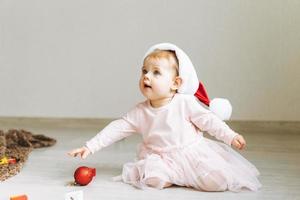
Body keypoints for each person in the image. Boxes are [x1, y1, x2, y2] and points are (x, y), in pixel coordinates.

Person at [68, 43, 262, 192]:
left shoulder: (184, 103)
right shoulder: (140, 112)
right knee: (153, 177)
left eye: (156, 73)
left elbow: (209, 121)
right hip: (159, 157)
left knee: (217, 182)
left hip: (190, 153)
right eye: (144, 71)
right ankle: (171, 176)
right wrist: (90, 146)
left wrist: (230, 136)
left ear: (175, 83)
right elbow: (116, 129)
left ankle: (188, 175)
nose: (146, 77)